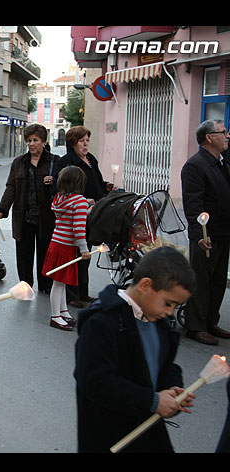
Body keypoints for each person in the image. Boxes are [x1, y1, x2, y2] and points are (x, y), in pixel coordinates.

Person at [75, 246, 196, 453]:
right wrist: (153, 400)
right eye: (169, 304)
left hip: (147, 433)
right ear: (145, 286)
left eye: (175, 307)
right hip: (110, 435)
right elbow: (95, 381)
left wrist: (173, 387)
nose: (170, 312)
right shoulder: (102, 323)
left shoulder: (159, 322)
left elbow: (164, 364)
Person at [181, 119, 230, 346]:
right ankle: (195, 326)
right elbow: (193, 203)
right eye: (223, 132)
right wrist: (200, 234)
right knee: (201, 279)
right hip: (206, 234)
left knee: (218, 279)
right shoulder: (195, 165)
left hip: (223, 231)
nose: (227, 135)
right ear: (209, 137)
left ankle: (211, 320)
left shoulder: (221, 162)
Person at [0, 123, 60, 294]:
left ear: (44, 141)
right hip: (23, 216)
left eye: (35, 140)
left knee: (45, 252)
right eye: (29, 140)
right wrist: (1, 209)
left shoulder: (54, 162)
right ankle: (25, 285)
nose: (32, 144)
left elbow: (65, 184)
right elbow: (11, 187)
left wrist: (54, 180)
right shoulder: (19, 162)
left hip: (46, 217)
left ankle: (45, 285)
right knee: (24, 253)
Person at [59, 126, 109, 307]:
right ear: (73, 143)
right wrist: (81, 200)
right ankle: (72, 295)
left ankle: (83, 292)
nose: (86, 143)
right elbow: (61, 190)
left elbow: (97, 181)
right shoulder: (66, 162)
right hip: (77, 212)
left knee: (85, 254)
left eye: (87, 140)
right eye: (82, 141)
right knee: (76, 255)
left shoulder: (90, 159)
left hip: (93, 212)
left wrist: (106, 190)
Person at [42, 166, 90, 331]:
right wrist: (84, 250)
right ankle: (55, 316)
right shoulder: (80, 202)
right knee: (59, 284)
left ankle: (63, 311)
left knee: (61, 282)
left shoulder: (59, 199)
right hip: (66, 247)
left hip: (56, 244)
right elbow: (78, 229)